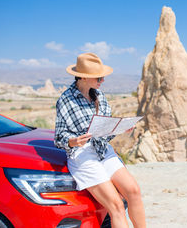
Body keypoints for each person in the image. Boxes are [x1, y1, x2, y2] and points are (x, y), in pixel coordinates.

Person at [54, 52, 146, 228]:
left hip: (103, 150)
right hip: (82, 156)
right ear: (82, 77)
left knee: (133, 191)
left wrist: (120, 127)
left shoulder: (100, 97)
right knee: (116, 206)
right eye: (98, 77)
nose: (102, 81)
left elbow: (105, 131)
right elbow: (59, 137)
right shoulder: (65, 100)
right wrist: (74, 141)